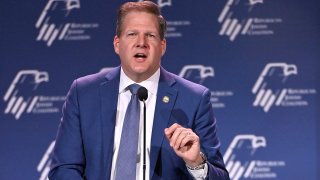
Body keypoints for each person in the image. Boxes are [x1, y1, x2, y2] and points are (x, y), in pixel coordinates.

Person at [49, 1, 229, 180]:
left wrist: (196, 163)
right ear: (117, 44)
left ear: (163, 46)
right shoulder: (83, 93)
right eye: (132, 34)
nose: (141, 43)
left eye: (150, 35)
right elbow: (64, 168)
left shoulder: (194, 99)